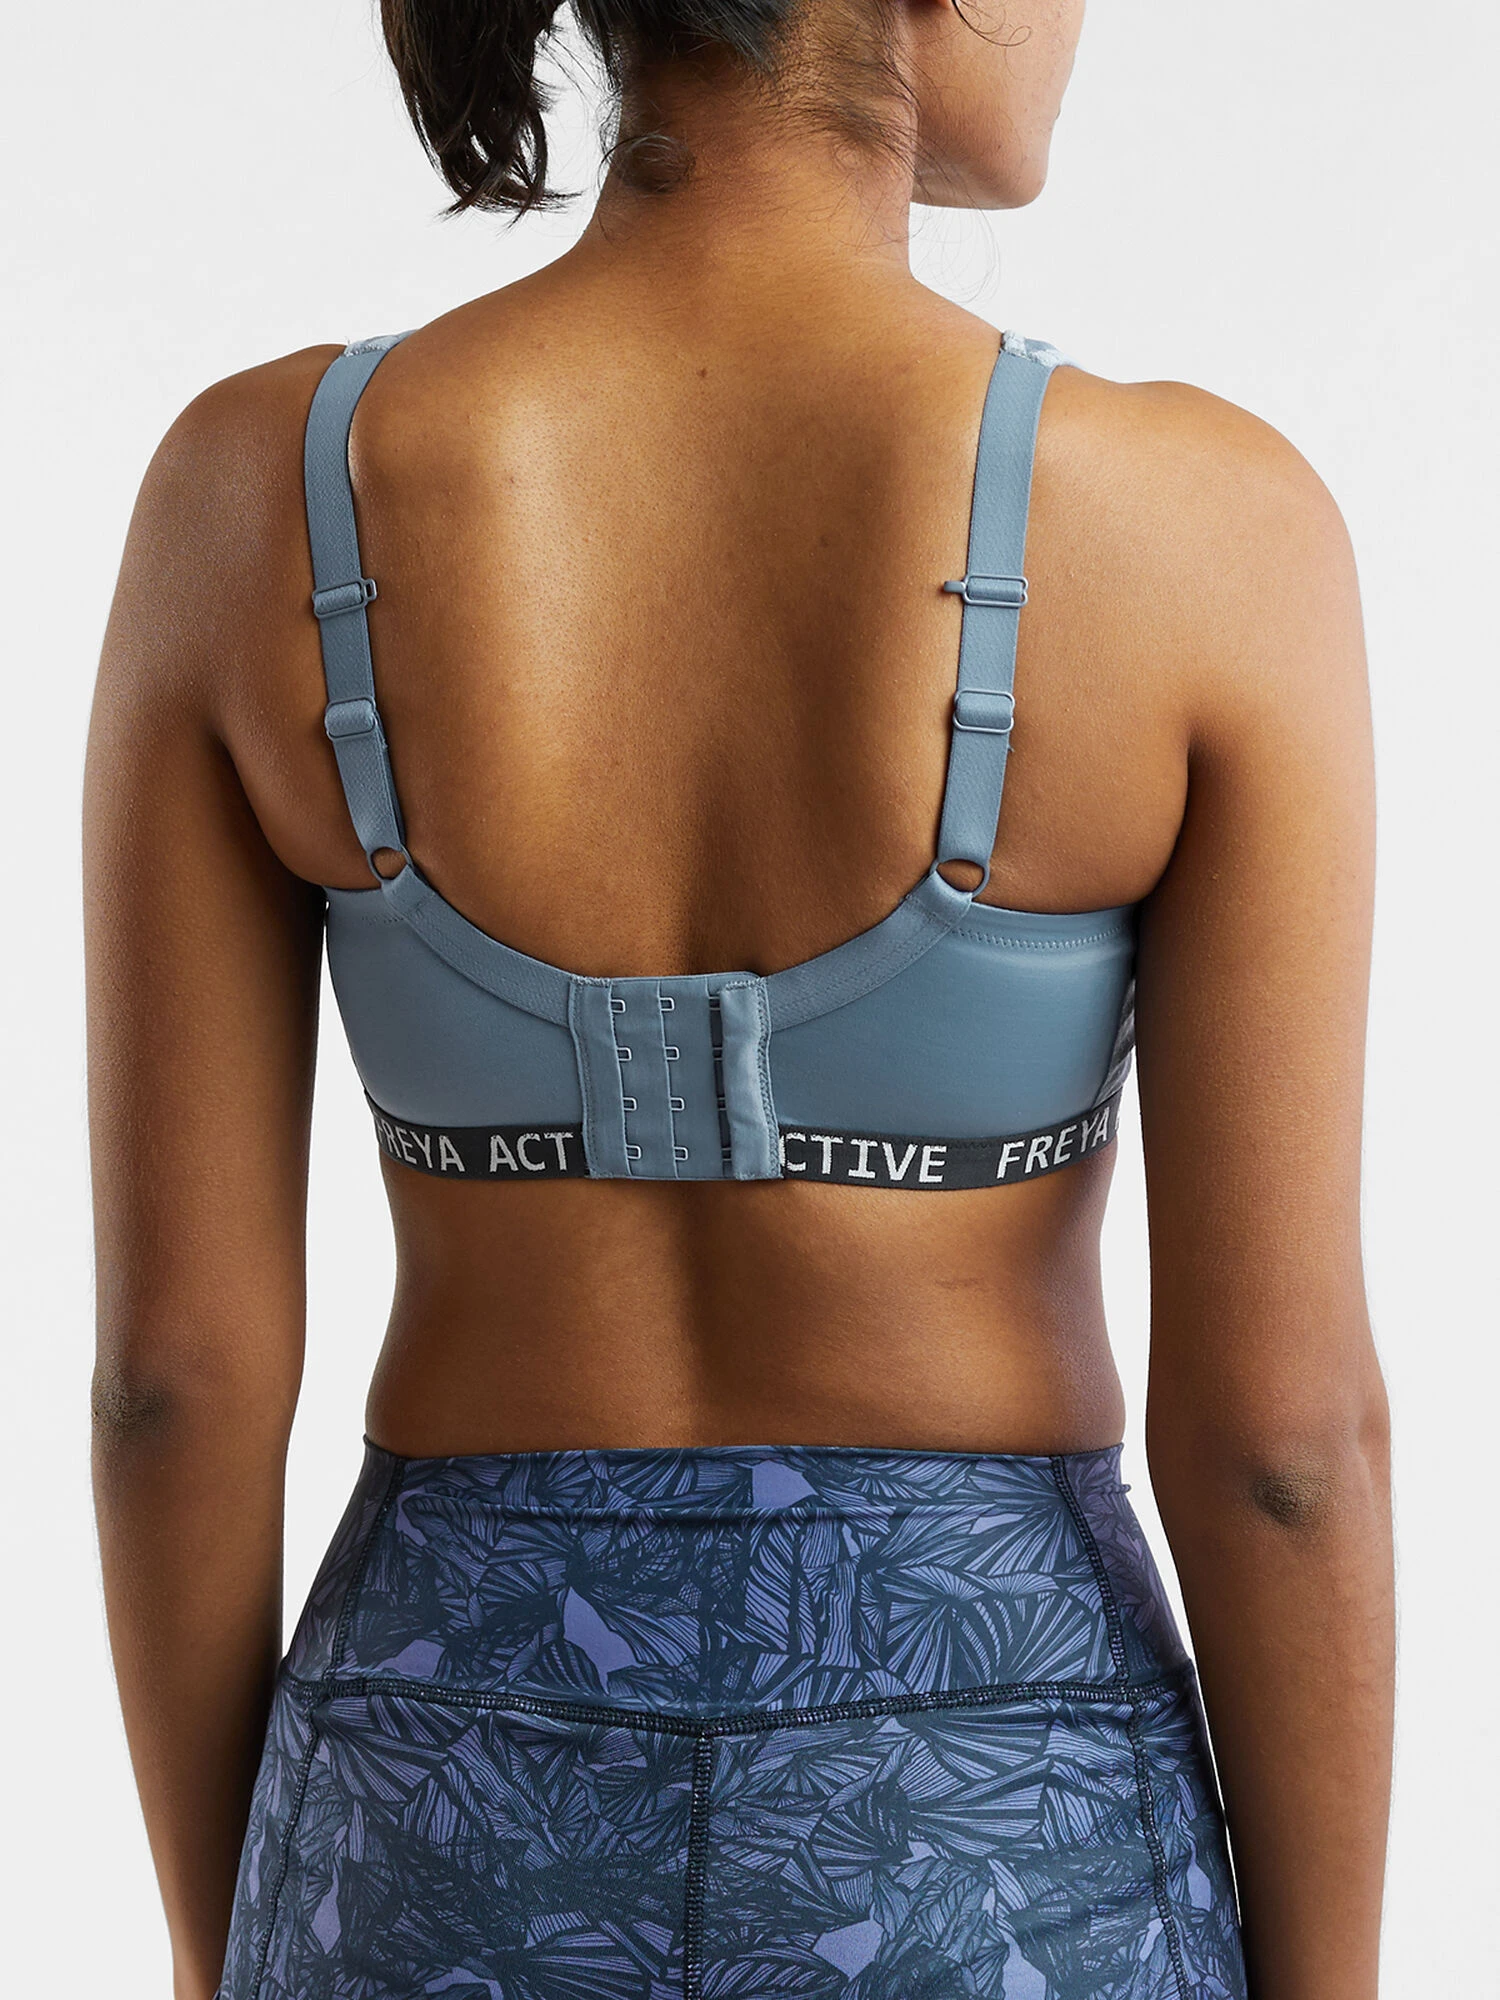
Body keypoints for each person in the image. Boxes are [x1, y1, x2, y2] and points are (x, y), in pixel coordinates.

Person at [84, 1, 1393, 1995]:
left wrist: (236, 1945)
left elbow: (171, 1388)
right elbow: (1284, 1447)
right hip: (997, 1826)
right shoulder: (1199, 528)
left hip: (435, 1810)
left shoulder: (258, 494)